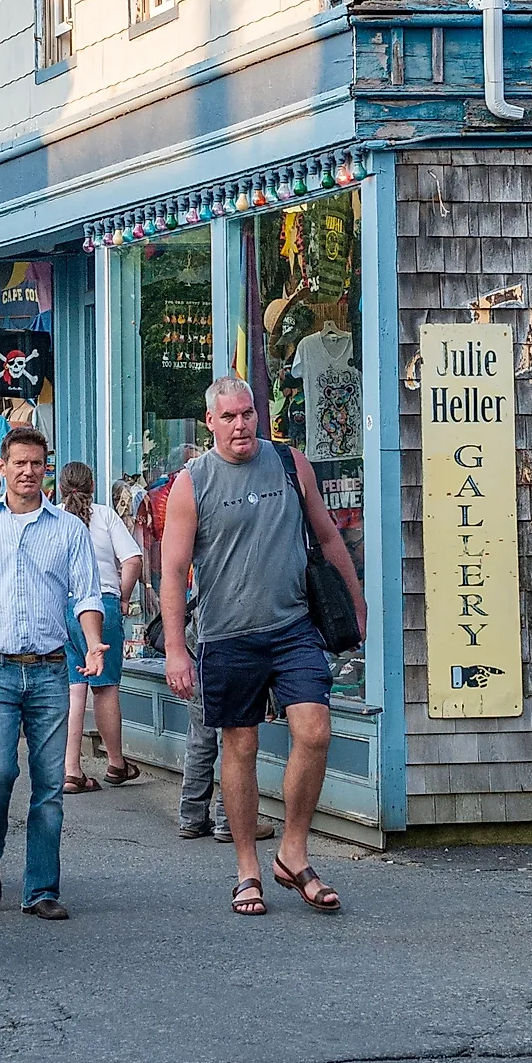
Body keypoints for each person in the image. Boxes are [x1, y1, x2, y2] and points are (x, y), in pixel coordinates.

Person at [159, 379, 364, 917]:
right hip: (227, 634)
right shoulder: (192, 483)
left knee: (315, 729)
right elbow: (174, 570)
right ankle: (248, 867)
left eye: (247, 414)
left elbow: (327, 538)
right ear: (210, 423)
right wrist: (176, 648)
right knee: (241, 746)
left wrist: (356, 604)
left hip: (293, 625)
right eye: (228, 417)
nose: (240, 425)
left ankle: (293, 853)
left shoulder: (289, 463)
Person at [0, 428, 105, 921]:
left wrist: (94, 641)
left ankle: (41, 888)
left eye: (37, 463)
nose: (29, 471)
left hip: (51, 671)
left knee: (50, 785)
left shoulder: (69, 531)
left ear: (46, 468)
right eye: (20, 463)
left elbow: (87, 596)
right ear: (4, 465)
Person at [58, 463, 142, 794]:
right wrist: (123, 598)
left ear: (60, 488)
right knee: (105, 688)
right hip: (101, 602)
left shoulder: (52, 518)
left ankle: (71, 769)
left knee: (74, 687)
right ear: (92, 484)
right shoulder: (105, 516)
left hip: (62, 606)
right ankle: (116, 763)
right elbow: (133, 559)